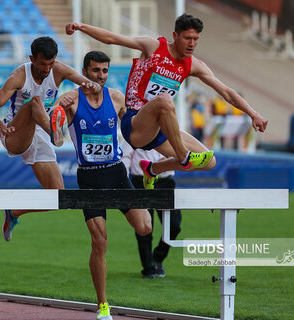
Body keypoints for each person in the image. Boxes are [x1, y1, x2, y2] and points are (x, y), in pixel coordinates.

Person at [65, 14, 268, 189]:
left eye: (196, 39)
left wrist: (253, 113)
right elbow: (111, 39)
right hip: (135, 124)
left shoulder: (193, 65)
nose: (192, 44)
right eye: (188, 38)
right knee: (164, 101)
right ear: (175, 36)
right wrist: (82, 27)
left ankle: (153, 168)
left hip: (160, 127)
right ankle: (183, 156)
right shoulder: (153, 46)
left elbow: (226, 92)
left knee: (209, 162)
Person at [55, 51, 152, 320]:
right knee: (99, 242)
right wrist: (58, 110)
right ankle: (103, 304)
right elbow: (55, 134)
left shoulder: (117, 98)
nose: (100, 76)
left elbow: (135, 129)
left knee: (145, 227)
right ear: (84, 71)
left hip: (116, 173)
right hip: (89, 177)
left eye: (105, 71)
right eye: (96, 70)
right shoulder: (71, 100)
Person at [0, 36, 101, 242]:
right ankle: (55, 132)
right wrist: (1, 128)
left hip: (41, 133)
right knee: (34, 102)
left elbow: (88, 84)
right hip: (17, 132)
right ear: (32, 59)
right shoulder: (19, 76)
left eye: (51, 63)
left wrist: (93, 87)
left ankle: (14, 212)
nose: (47, 69)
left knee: (58, 196)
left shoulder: (60, 70)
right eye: (42, 64)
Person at [121, 142, 181, 279]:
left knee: (174, 226)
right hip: (140, 181)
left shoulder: (169, 131)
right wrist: (124, 182)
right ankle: (148, 268)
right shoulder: (135, 130)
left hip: (165, 183)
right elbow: (125, 156)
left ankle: (158, 258)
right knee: (144, 226)